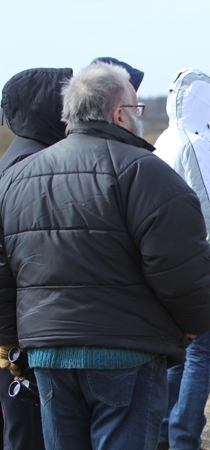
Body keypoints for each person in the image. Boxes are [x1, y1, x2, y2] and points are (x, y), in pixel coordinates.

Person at [0, 61, 210, 450]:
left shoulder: (17, 178)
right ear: (119, 114)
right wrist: (191, 327)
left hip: (48, 353)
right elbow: (183, 271)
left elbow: (4, 272)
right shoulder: (148, 174)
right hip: (126, 353)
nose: (139, 118)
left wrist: (11, 344)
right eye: (136, 109)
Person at [153, 68, 210, 450]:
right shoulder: (193, 144)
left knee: (174, 352)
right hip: (192, 261)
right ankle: (184, 438)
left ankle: (161, 435)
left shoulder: (166, 137)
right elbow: (209, 210)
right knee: (198, 354)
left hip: (161, 261)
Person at [0, 66, 72, 450]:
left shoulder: (27, 156)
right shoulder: (28, 166)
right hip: (21, 340)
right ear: (45, 110)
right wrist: (11, 346)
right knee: (27, 435)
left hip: (24, 331)